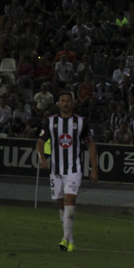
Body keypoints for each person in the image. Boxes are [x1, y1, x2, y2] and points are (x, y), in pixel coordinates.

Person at [39, 91, 99, 252]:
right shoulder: (51, 122)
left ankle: (64, 239)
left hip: (74, 169)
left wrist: (94, 169)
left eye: (68, 101)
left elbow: (91, 145)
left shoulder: (81, 122)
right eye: (63, 101)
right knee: (60, 204)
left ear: (73, 103)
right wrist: (42, 158)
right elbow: (40, 141)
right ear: (58, 103)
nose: (65, 103)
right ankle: (70, 239)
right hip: (55, 170)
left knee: (69, 201)